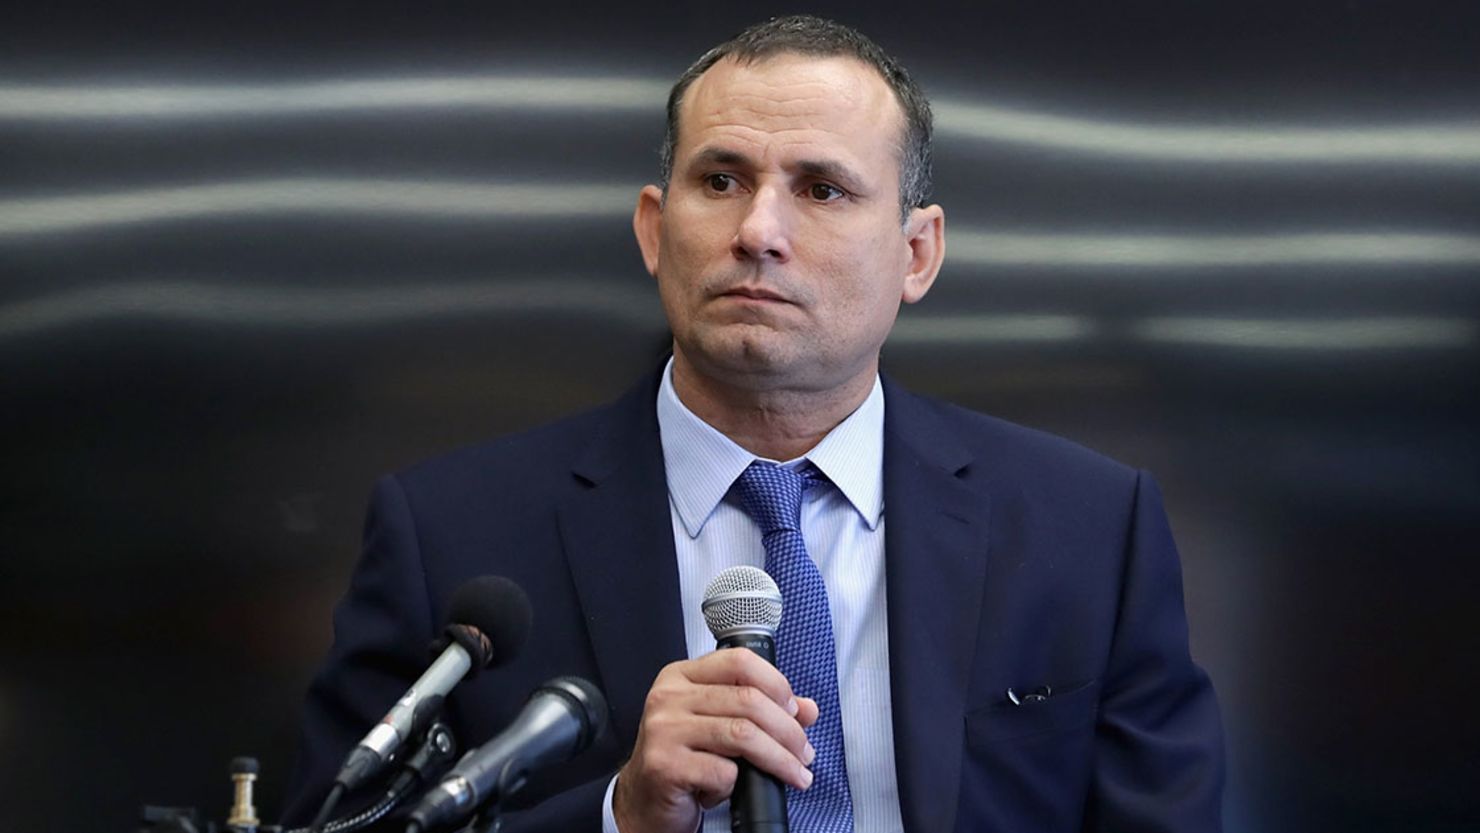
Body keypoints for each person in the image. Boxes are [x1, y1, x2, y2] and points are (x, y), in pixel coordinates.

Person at [284, 15, 1224, 833]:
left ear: (917, 253)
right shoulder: (449, 535)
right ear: (656, 228)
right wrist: (619, 815)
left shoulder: (1088, 529)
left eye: (822, 189)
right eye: (722, 179)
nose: (759, 231)